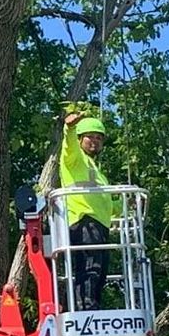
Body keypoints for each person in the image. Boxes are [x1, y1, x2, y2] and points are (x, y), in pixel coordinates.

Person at [58, 111, 118, 311]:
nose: (95, 141)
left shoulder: (96, 171)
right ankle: (85, 310)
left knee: (100, 272)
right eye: (90, 136)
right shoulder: (75, 159)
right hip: (84, 221)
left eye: (99, 138)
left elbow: (105, 203)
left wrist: (127, 206)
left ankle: (92, 308)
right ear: (80, 139)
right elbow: (69, 147)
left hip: (99, 225)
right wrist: (70, 127)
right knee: (90, 268)